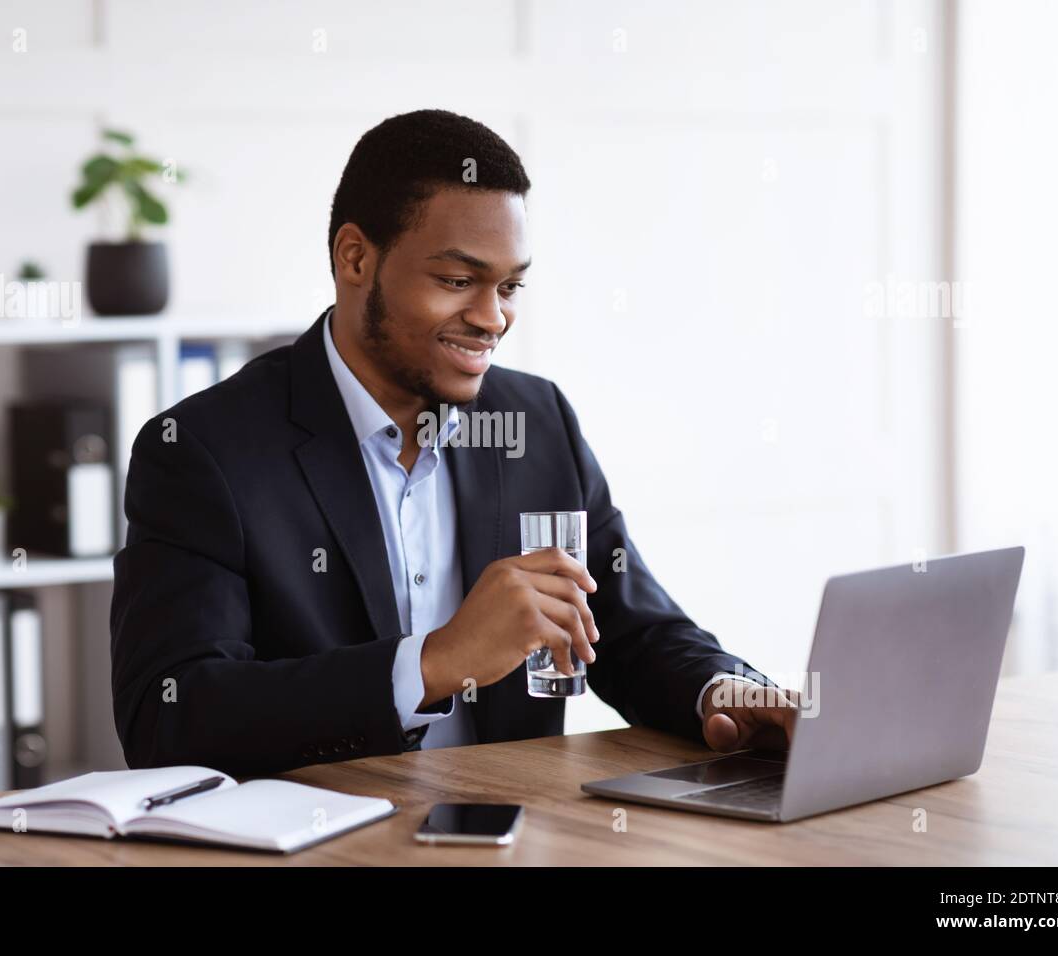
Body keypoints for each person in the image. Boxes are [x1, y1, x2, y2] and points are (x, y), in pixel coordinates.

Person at [110, 109, 798, 776]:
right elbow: (169, 716)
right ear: (355, 258)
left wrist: (729, 693)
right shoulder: (205, 452)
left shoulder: (537, 419)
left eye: (510, 286)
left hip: (517, 833)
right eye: (458, 281)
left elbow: (631, 629)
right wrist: (435, 661)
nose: (492, 318)